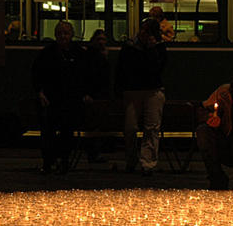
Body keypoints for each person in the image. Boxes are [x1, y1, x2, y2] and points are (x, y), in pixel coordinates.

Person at [31, 20, 89, 174]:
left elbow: (85, 76)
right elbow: (37, 74)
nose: (63, 36)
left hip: (70, 99)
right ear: (56, 35)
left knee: (66, 132)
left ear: (71, 35)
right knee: (49, 132)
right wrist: (40, 92)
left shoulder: (77, 53)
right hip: (53, 98)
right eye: (60, 33)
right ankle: (50, 161)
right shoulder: (49, 53)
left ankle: (62, 160)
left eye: (66, 33)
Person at [115, 18, 167, 175]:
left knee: (150, 128)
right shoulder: (132, 47)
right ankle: (136, 160)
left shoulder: (156, 48)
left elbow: (157, 69)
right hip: (140, 90)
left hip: (146, 90)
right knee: (132, 128)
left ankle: (146, 163)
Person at [84, 29, 112, 163]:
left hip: (98, 94)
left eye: (103, 40)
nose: (101, 42)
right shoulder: (95, 55)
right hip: (96, 94)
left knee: (95, 124)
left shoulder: (90, 53)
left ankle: (94, 152)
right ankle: (94, 152)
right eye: (99, 39)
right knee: (95, 124)